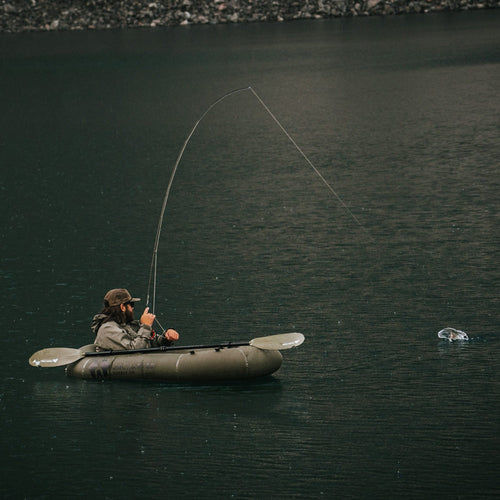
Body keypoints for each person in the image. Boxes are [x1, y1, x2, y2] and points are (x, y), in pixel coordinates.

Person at [91, 288, 179, 351]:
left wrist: (167, 337)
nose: (133, 308)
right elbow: (136, 349)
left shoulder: (128, 326)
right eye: (131, 304)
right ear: (122, 307)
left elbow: (151, 342)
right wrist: (146, 326)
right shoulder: (107, 329)